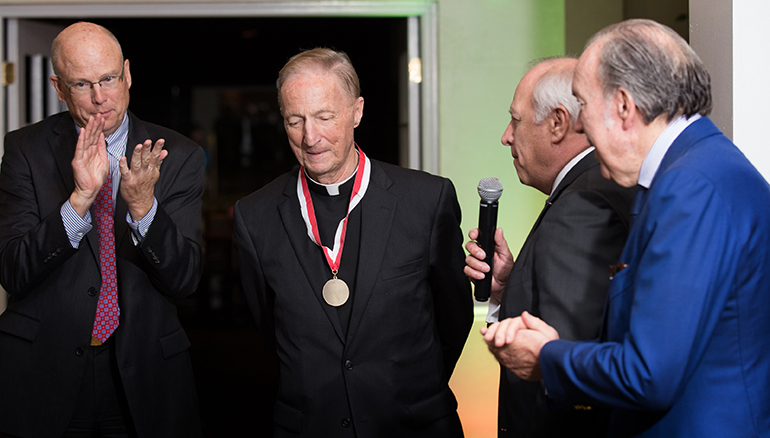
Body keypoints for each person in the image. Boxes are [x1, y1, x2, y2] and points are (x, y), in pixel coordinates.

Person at [483, 19, 770, 437]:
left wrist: (548, 356)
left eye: (583, 103)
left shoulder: (688, 188)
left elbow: (649, 375)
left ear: (622, 105)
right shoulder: (705, 166)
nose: (578, 127)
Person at [233, 48, 473, 437]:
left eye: (325, 117)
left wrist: (408, 392)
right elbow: (267, 329)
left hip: (413, 424)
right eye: (295, 121)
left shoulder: (426, 200)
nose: (310, 137)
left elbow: (454, 317)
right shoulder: (253, 216)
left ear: (357, 111)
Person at [0, 22, 204, 437]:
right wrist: (78, 200)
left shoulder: (178, 155)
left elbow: (185, 279)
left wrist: (145, 208)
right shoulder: (24, 150)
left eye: (109, 79)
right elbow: (12, 270)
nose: (99, 98)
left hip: (143, 373)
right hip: (45, 371)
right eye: (81, 84)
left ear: (127, 74)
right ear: (59, 88)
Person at [465, 57, 636, 437]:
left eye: (517, 120)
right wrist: (509, 288)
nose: (506, 136)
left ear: (557, 123)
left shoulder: (583, 206)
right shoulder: (591, 187)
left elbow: (567, 364)